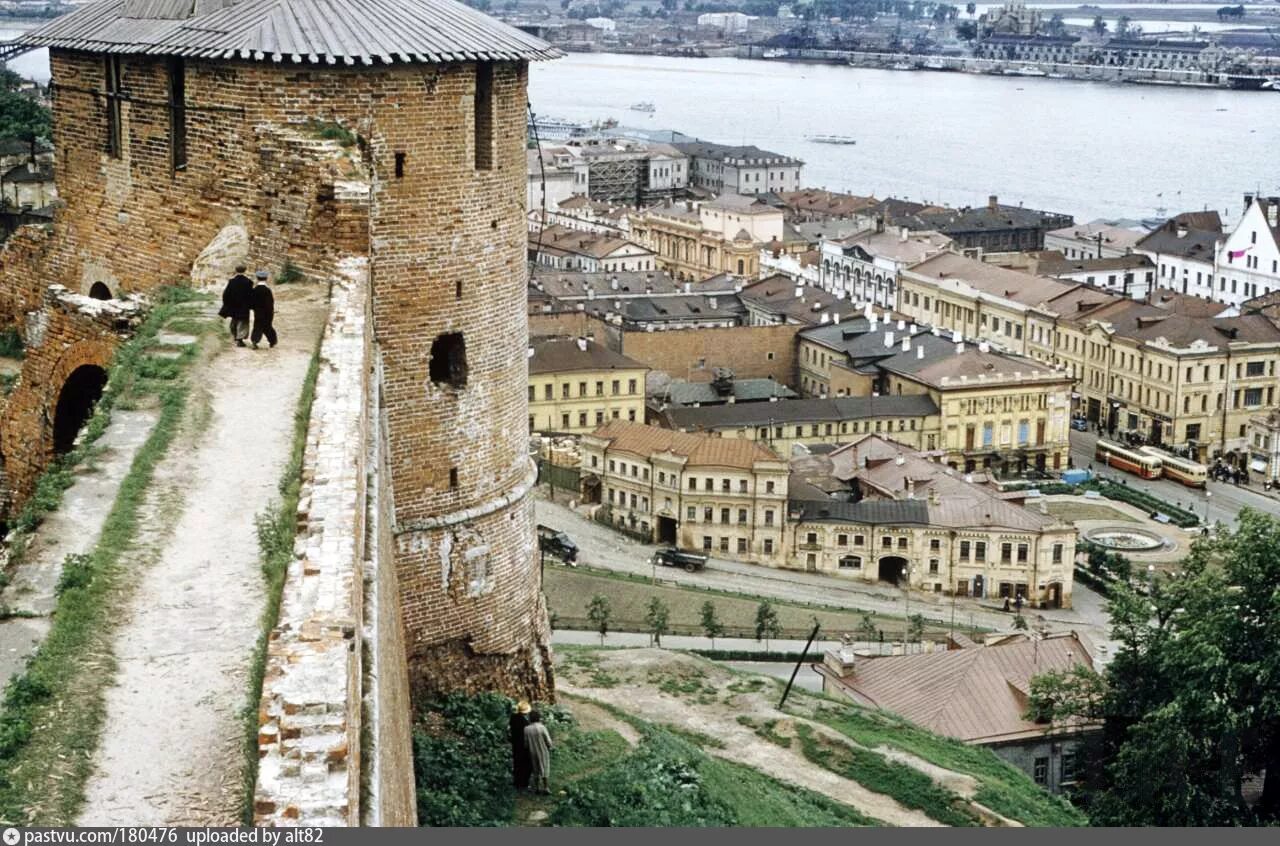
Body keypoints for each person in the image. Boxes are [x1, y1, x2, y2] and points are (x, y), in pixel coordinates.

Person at [219, 264, 253, 347]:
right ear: (245, 270)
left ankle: (234, 336)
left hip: (233, 305)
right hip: (244, 306)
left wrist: (226, 304)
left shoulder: (232, 281)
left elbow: (226, 294)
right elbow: (251, 295)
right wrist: (251, 305)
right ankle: (239, 339)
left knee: (234, 320)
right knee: (242, 322)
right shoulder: (248, 282)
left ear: (236, 270)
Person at [523, 709, 553, 795]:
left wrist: (527, 748)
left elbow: (526, 743)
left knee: (535, 769)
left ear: (530, 718)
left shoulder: (526, 729)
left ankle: (536, 787)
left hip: (532, 751)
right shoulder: (542, 727)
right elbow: (548, 740)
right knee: (544, 768)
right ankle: (546, 787)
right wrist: (550, 746)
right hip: (543, 750)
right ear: (539, 718)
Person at [250, 270, 277, 349]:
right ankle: (272, 341)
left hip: (258, 312)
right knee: (268, 327)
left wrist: (254, 308)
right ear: (266, 278)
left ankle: (255, 341)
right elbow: (270, 302)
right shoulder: (267, 290)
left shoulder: (255, 290)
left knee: (257, 326)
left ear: (257, 278)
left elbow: (252, 301)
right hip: (267, 312)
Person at [508, 700, 532, 791]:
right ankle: (524, 783)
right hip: (524, 745)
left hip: (515, 744)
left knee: (517, 762)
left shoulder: (513, 717)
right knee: (526, 764)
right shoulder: (525, 723)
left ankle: (516, 782)